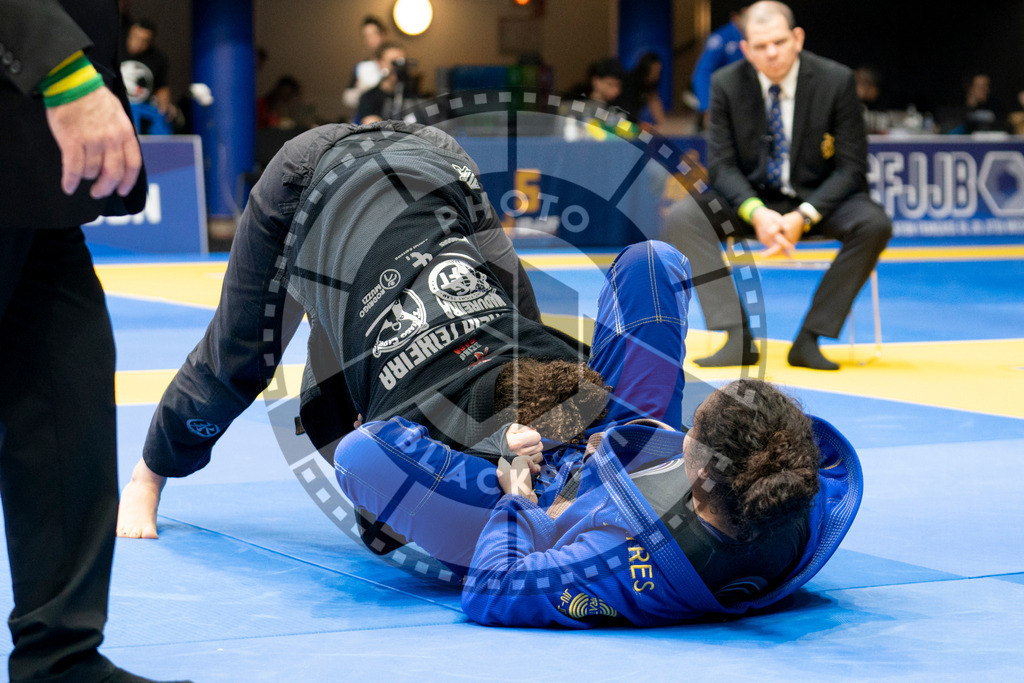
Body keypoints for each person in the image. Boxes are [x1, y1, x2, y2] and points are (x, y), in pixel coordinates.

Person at [116, 121, 692, 542]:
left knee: (513, 316)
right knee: (245, 355)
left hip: (435, 167)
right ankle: (150, 472)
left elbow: (360, 456)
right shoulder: (430, 427)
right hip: (309, 186)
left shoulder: (551, 396)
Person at [334, 244, 863, 627]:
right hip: (610, 467)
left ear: (700, 471)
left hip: (535, 509)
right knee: (651, 263)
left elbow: (494, 591)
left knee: (362, 454)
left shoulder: (621, 560)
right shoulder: (795, 484)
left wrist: (518, 492)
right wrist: (627, 444)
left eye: (691, 426)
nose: (685, 422)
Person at [0, 1, 188, 681]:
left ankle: (60, 655)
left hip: (29, 171)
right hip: (32, 70)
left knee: (65, 388)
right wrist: (61, 68)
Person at [665, 1, 892, 370]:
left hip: (818, 200)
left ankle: (810, 338)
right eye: (760, 46)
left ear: (797, 38)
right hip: (751, 199)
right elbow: (721, 167)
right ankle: (737, 337)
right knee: (685, 217)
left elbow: (852, 169)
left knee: (874, 223)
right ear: (746, 49)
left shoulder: (836, 80)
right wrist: (756, 213)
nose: (771, 53)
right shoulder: (725, 84)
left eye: (779, 42)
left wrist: (805, 214)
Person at [690, 6, 747, 124]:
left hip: (747, 102)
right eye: (746, 15)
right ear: (735, 16)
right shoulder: (721, 38)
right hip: (724, 102)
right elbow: (703, 72)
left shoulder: (756, 35)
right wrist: (707, 106)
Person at [120, 17, 175, 134]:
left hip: (143, 107)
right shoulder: (115, 52)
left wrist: (165, 106)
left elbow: (161, 88)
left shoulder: (158, 59)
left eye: (144, 40)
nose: (138, 43)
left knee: (162, 118)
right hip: (117, 104)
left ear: (151, 42)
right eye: (135, 37)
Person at [355, 42, 417, 124]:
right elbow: (370, 126)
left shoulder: (413, 97)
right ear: (379, 63)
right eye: (393, 62)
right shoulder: (369, 98)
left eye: (401, 62)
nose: (398, 67)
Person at [342, 15, 388, 111]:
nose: (370, 39)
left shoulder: (392, 63)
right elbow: (348, 99)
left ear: (383, 35)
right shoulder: (361, 67)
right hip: (366, 115)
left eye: (373, 34)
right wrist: (359, 90)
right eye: (366, 36)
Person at [935, 72, 1004, 135]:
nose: (987, 90)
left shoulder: (993, 109)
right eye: (982, 87)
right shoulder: (952, 111)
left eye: (987, 86)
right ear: (969, 88)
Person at [618, 51, 667, 128]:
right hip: (620, 118)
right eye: (655, 71)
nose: (657, 74)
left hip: (632, 120)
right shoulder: (630, 81)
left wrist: (663, 125)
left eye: (659, 71)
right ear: (646, 69)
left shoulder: (651, 83)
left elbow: (654, 102)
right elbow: (625, 107)